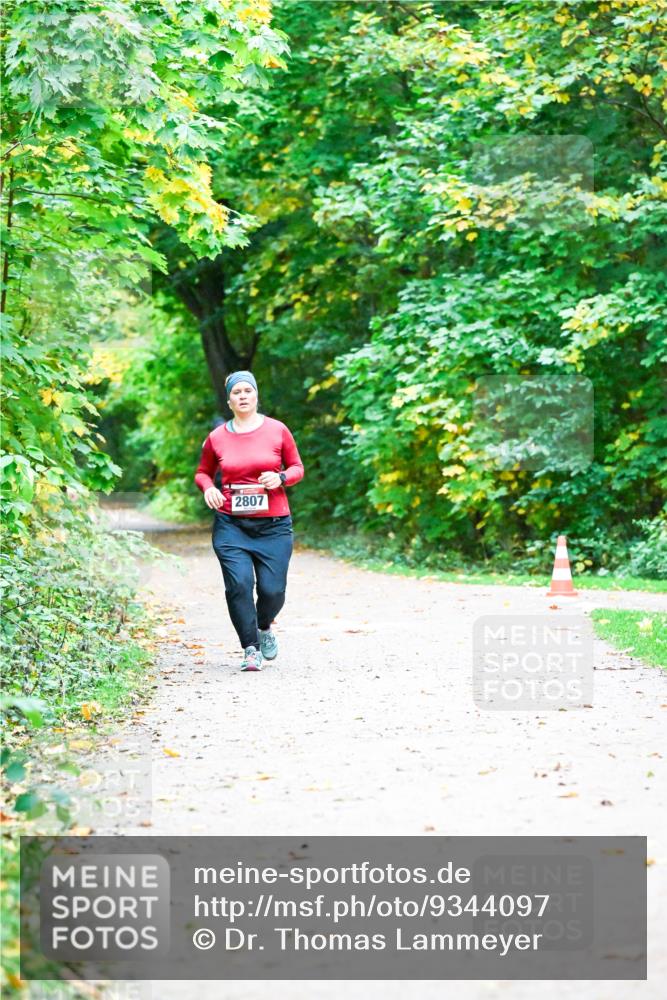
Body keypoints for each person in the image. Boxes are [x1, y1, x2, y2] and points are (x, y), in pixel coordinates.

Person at [194, 371, 304, 672]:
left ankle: (264, 625)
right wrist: (210, 488)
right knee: (239, 585)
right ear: (229, 400)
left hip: (274, 524)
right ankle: (250, 648)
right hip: (231, 524)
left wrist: (280, 477)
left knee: (272, 590)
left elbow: (297, 467)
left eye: (248, 391)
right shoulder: (216, 437)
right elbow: (202, 472)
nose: (242, 396)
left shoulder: (277, 430)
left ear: (256, 395)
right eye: (236, 392)